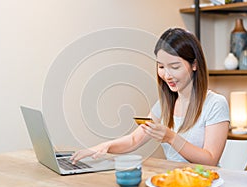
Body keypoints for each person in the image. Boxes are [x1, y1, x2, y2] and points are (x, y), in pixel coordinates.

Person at [71, 28, 230, 166]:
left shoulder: (215, 104)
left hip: (204, 185)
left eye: (174, 67)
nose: (167, 75)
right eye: (161, 67)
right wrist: (102, 147)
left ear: (194, 64)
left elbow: (210, 160)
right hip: (173, 183)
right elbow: (134, 140)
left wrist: (171, 137)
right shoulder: (165, 105)